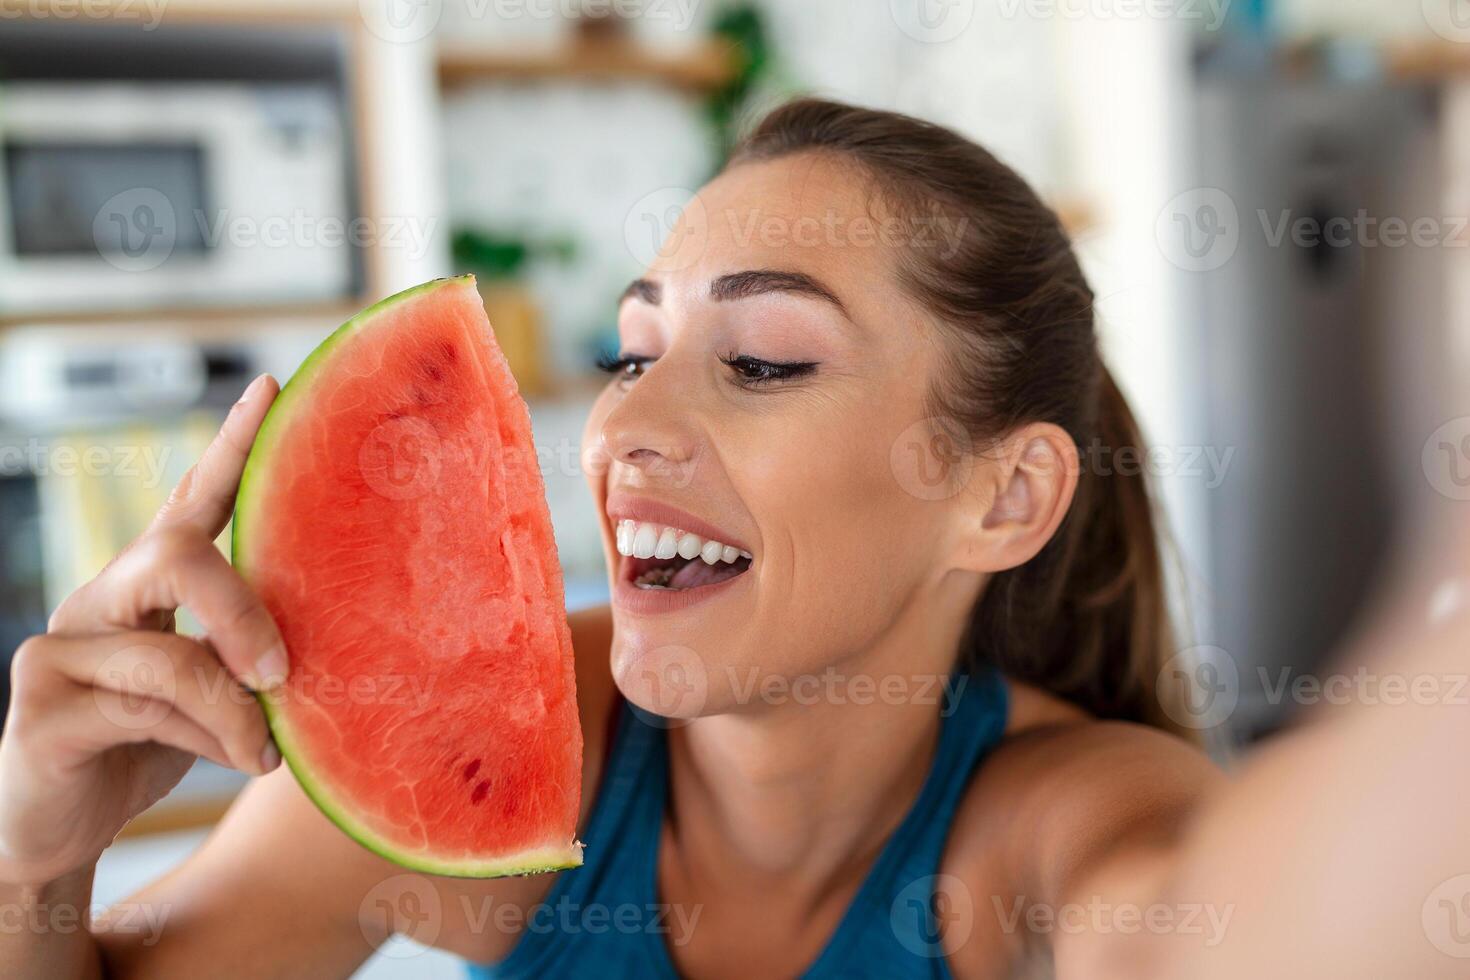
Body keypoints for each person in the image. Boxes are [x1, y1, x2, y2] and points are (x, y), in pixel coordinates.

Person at [1, 99, 1466, 979]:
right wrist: (35, 864)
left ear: (1003, 497)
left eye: (762, 361)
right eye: (631, 351)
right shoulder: (518, 741)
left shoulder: (1054, 824)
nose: (623, 426)